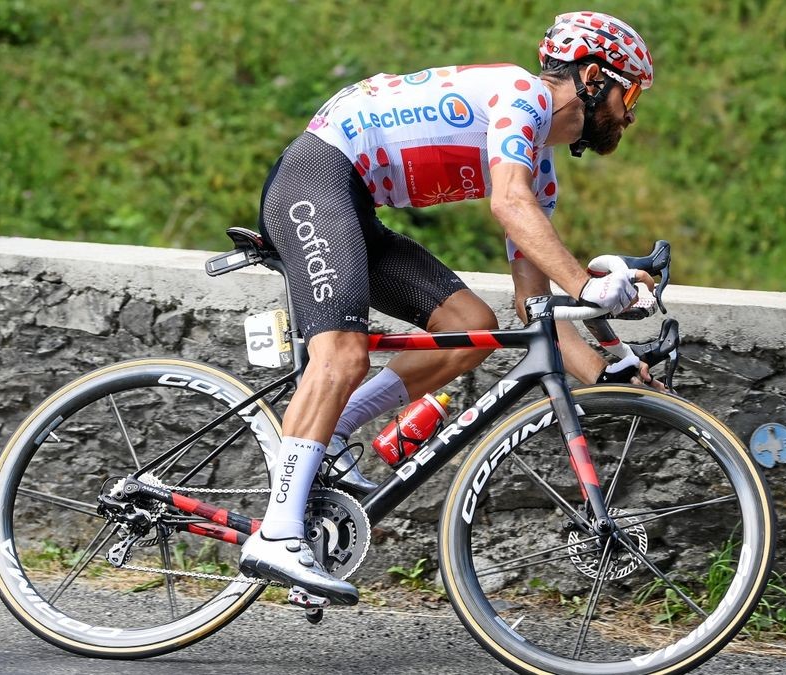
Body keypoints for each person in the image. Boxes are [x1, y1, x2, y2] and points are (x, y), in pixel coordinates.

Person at [239, 11, 656, 605]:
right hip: (317, 175)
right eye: (630, 91)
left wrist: (604, 369)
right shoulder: (522, 95)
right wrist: (588, 287)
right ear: (593, 77)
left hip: (353, 203)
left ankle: (327, 433)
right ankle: (277, 536)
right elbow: (509, 205)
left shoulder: (540, 163)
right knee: (341, 353)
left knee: (469, 328)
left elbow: (532, 306)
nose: (631, 112)